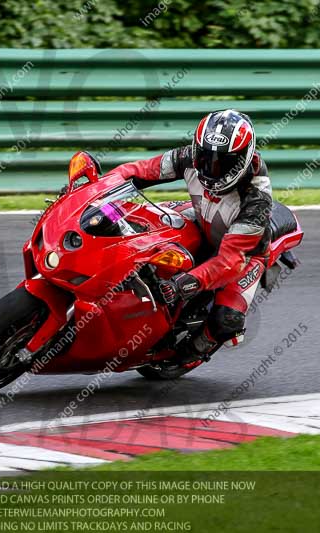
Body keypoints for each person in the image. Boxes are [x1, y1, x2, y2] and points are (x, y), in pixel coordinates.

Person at [106, 109, 272, 361]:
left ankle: (190, 353)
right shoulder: (189, 156)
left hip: (243, 255)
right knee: (136, 224)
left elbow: (228, 261)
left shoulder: (255, 202)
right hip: (201, 217)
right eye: (206, 158)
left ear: (244, 160)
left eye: (222, 163)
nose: (211, 169)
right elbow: (138, 170)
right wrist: (100, 186)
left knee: (226, 320)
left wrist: (183, 284)